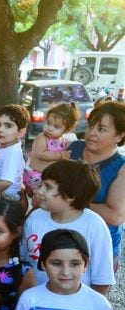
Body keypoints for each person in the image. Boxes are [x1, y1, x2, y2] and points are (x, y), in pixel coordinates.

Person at [23, 160, 114, 294]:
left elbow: (102, 278)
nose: (39, 190)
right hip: (35, 302)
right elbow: (23, 261)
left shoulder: (94, 225)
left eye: (47, 187)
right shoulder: (34, 218)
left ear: (70, 195)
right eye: (41, 184)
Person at [68, 101, 125, 267]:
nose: (91, 133)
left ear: (120, 135)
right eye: (91, 126)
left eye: (101, 129)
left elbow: (115, 216)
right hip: (63, 241)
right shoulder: (72, 148)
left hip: (98, 249)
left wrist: (71, 199)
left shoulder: (121, 167)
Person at [24, 103, 79, 197]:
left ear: (66, 130)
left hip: (49, 177)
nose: (50, 128)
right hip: (37, 176)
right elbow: (41, 154)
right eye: (48, 123)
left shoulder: (62, 140)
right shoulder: (42, 137)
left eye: (56, 126)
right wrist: (61, 155)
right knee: (38, 199)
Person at [0, 104, 29, 201]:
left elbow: (6, 182)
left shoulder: (12, 153)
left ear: (20, 133)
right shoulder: (2, 143)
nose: (0, 129)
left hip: (6, 198)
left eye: (8, 126)